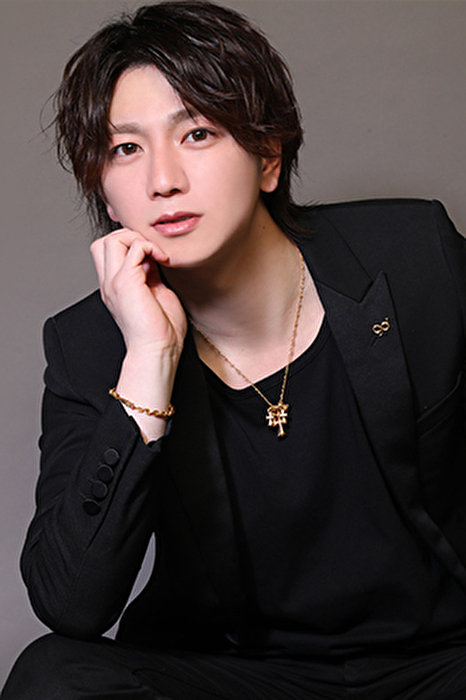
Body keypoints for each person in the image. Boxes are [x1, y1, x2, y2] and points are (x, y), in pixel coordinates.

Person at [2, 1, 466, 698]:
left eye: (197, 133)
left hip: (442, 660)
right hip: (242, 678)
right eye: (126, 149)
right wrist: (149, 360)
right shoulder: (90, 345)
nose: (162, 179)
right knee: (51, 677)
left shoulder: (413, 258)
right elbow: (70, 604)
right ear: (105, 190)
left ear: (268, 157)